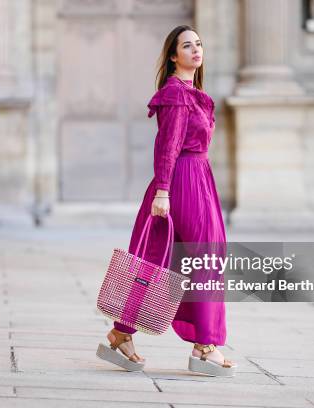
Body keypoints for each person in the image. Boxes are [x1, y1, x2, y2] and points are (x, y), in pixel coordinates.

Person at [96, 25, 236, 377]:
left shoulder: (194, 92)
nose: (196, 49)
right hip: (181, 182)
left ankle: (121, 334)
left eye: (199, 44)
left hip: (200, 178)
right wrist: (162, 191)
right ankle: (204, 346)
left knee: (167, 259)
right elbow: (167, 146)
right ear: (173, 56)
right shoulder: (175, 93)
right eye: (187, 46)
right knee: (200, 256)